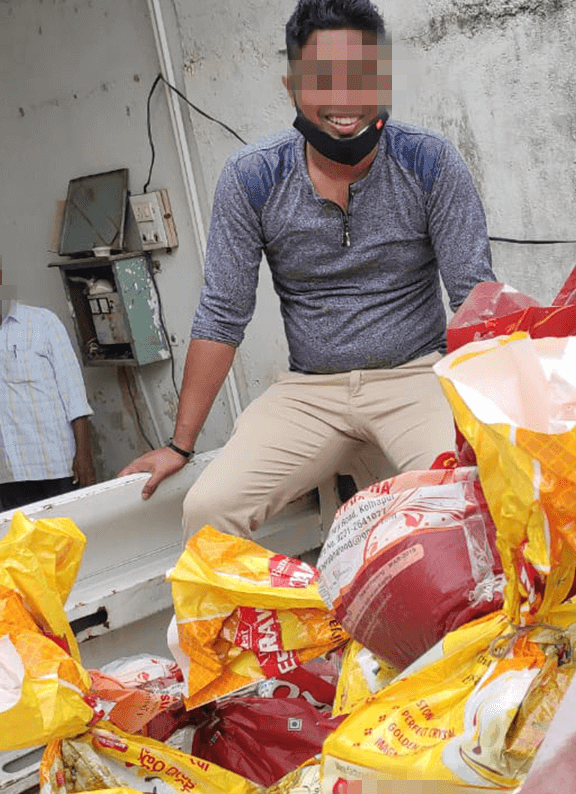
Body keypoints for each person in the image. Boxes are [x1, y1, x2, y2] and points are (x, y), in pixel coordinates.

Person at [119, 0, 494, 540]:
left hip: (416, 377)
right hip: (310, 392)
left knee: (471, 494)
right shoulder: (254, 176)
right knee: (208, 510)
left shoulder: (429, 162)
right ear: (291, 84)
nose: (344, 99)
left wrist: (514, 406)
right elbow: (222, 315)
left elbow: (474, 298)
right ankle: (249, 623)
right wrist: (181, 445)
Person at [0, 247, 96, 512]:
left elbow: (74, 395)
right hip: (9, 474)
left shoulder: (43, 323)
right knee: (30, 548)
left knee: (71, 542)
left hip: (58, 465)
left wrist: (84, 455)